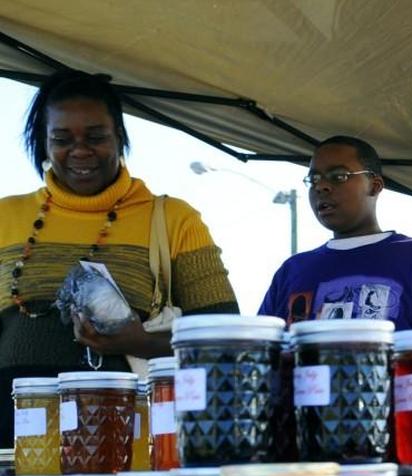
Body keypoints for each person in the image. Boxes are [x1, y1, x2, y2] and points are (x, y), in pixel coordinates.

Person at [0, 70, 239, 447]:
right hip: (14, 435)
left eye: (96, 137)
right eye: (62, 139)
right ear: (44, 143)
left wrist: (141, 342)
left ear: (120, 136)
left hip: (125, 438)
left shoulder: (174, 220)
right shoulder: (6, 217)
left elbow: (225, 338)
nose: (80, 151)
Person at [258, 136, 412, 330]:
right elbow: (260, 346)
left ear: (374, 186)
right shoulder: (292, 270)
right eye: (314, 179)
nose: (321, 186)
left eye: (339, 176)